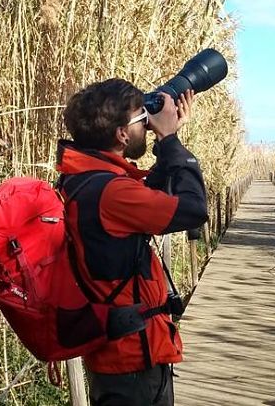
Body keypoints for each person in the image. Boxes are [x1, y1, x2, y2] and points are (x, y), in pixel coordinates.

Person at [56, 78, 208, 406]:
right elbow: (194, 210)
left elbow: (152, 191)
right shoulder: (113, 192)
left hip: (118, 354)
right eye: (142, 118)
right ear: (122, 134)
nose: (148, 125)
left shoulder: (82, 180)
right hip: (133, 361)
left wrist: (170, 141)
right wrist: (169, 139)